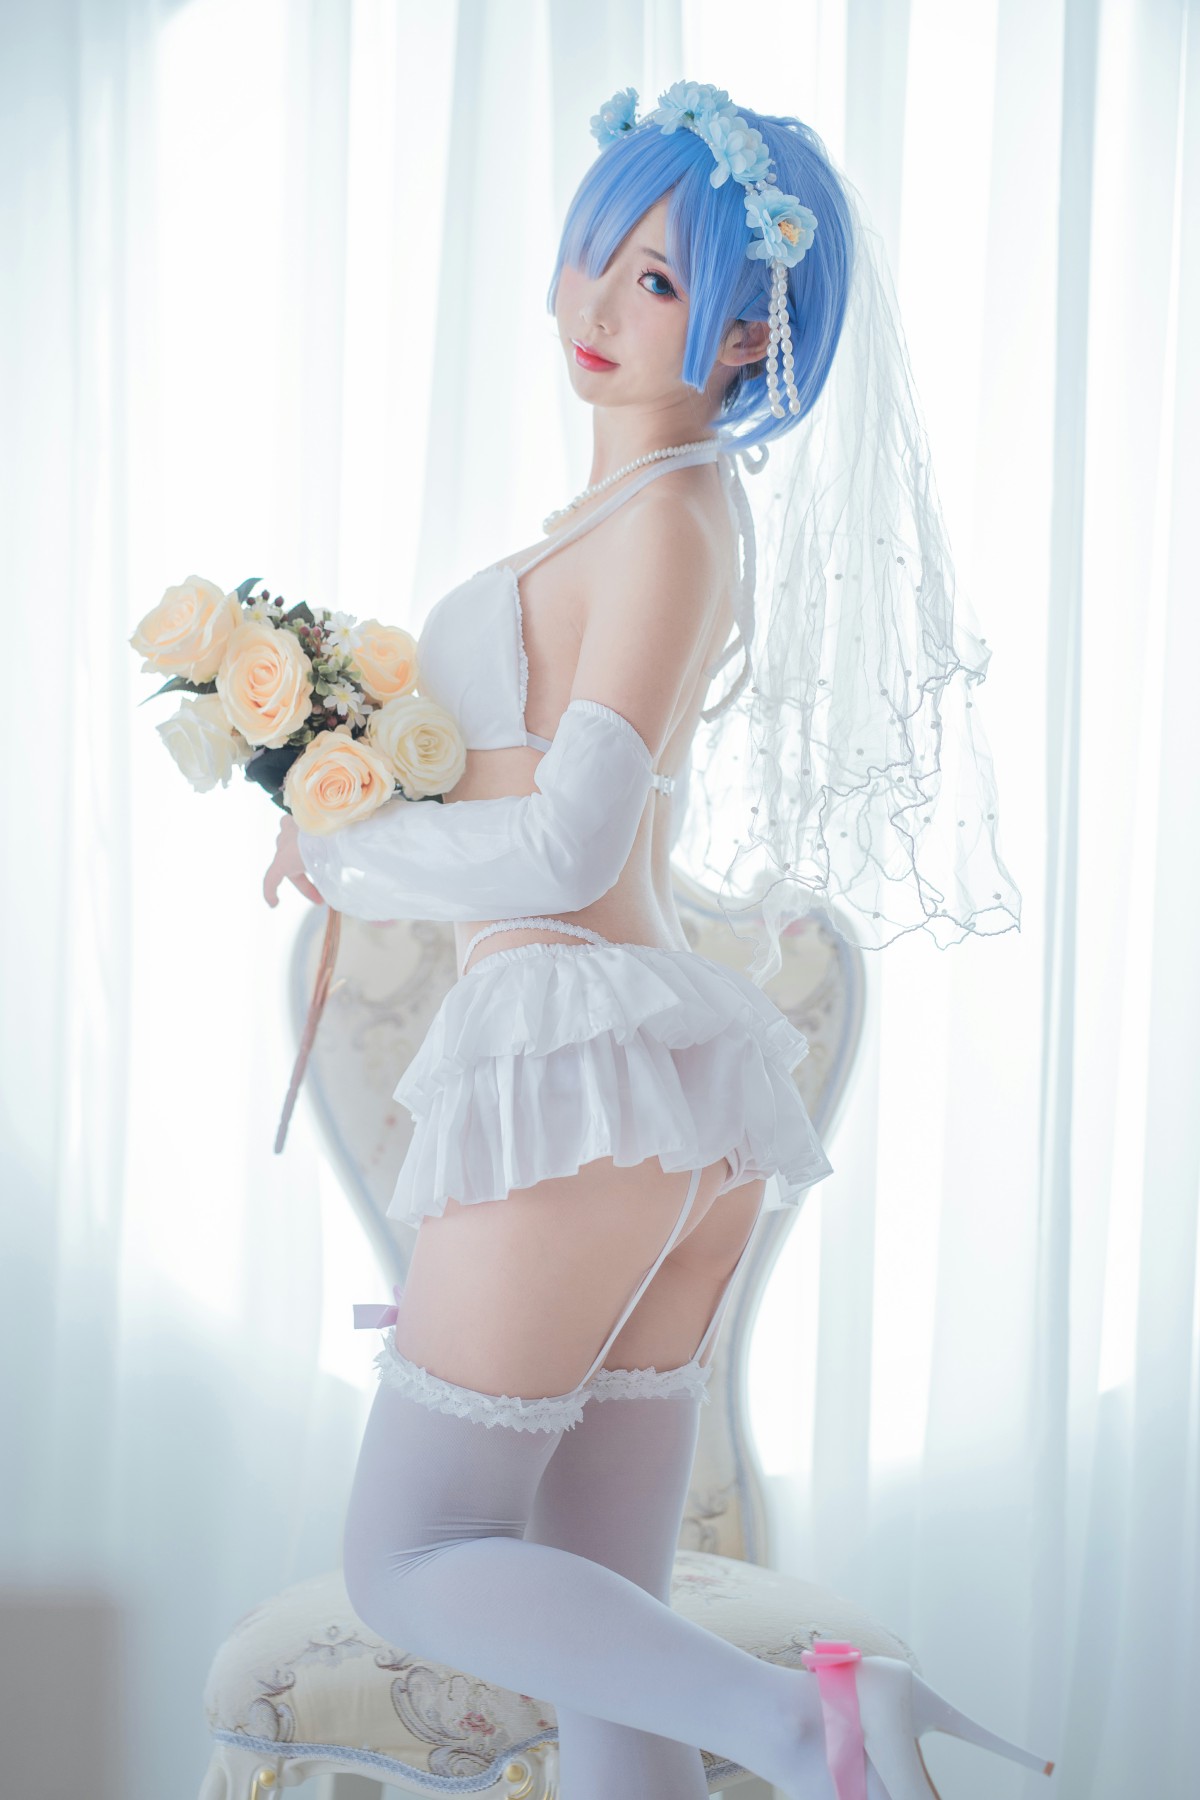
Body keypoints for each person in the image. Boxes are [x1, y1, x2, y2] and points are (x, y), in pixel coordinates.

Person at [263, 82, 1048, 1800]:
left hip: (582, 1075)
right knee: (611, 1664)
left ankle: (815, 1722)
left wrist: (350, 851)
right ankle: (786, 1731)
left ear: (752, 332)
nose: (604, 306)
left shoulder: (675, 523)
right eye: (598, 259)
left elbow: (569, 847)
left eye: (665, 282)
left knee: (414, 1556)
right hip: (648, 1100)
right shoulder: (629, 522)